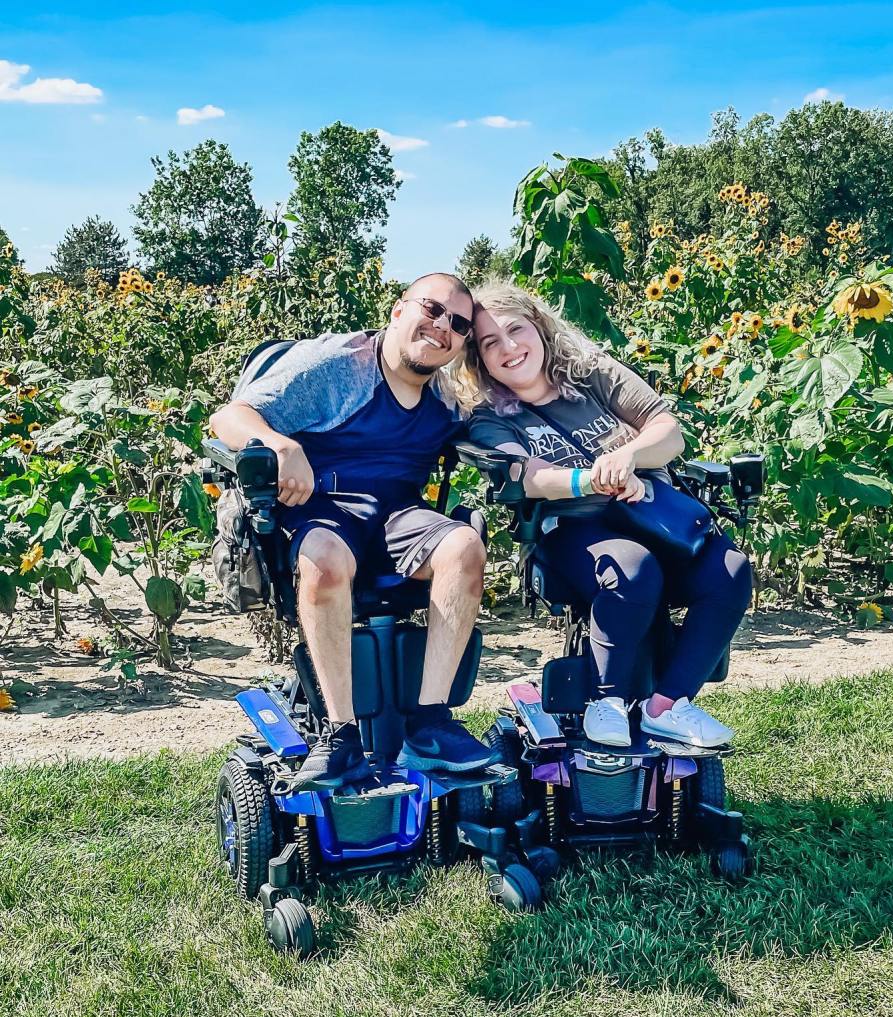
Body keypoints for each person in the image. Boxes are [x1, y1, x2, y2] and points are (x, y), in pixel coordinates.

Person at [210, 273, 495, 788]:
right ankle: (340, 736)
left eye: (458, 324)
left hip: (400, 515)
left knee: (464, 545)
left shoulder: (452, 393)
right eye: (432, 310)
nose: (442, 328)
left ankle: (430, 725)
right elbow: (229, 418)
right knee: (324, 558)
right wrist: (280, 445)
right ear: (398, 310)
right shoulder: (338, 368)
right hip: (324, 509)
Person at [454, 281, 752, 749]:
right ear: (480, 359)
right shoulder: (490, 416)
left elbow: (668, 432)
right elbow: (526, 476)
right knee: (631, 568)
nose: (508, 348)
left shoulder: (591, 372)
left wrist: (629, 457)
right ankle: (605, 701)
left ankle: (667, 706)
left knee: (730, 569)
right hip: (571, 528)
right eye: (491, 342)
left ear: (540, 327)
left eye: (516, 330)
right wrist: (595, 479)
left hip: (646, 512)